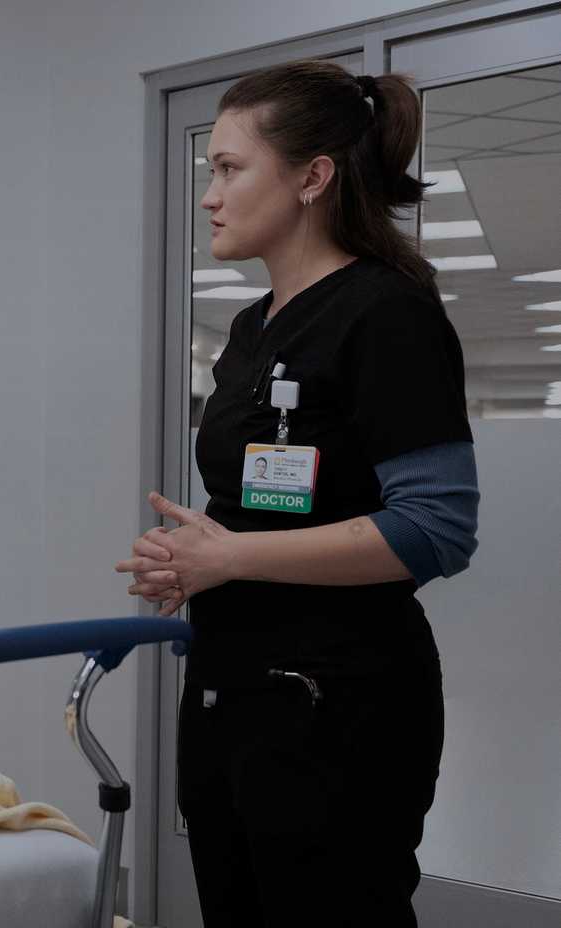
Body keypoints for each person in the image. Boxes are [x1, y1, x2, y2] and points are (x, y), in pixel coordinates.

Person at [114, 62, 479, 927]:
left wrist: (231, 555)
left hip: (340, 708)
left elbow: (437, 530)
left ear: (313, 177)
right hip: (230, 688)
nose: (210, 194)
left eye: (231, 168)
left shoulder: (388, 314)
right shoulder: (253, 328)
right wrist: (198, 560)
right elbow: (273, 503)